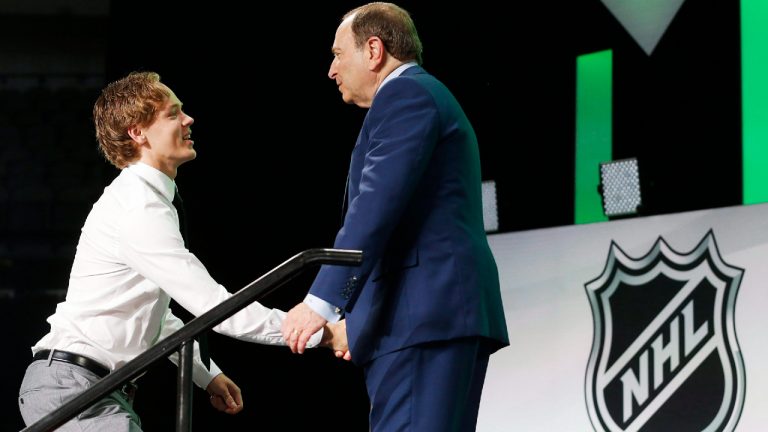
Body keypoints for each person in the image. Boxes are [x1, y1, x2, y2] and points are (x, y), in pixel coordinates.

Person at [18, 71, 349, 431]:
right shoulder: (138, 207)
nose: (188, 119)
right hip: (74, 389)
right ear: (137, 132)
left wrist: (208, 376)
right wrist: (325, 335)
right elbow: (215, 307)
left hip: (87, 387)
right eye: (172, 113)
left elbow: (157, 321)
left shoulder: (145, 201)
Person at [282, 3, 510, 431]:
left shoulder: (405, 95)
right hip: (427, 316)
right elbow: (405, 225)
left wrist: (321, 302)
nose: (332, 70)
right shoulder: (420, 96)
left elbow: (375, 207)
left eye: (337, 54)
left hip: (424, 319)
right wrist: (361, 321)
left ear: (374, 50)